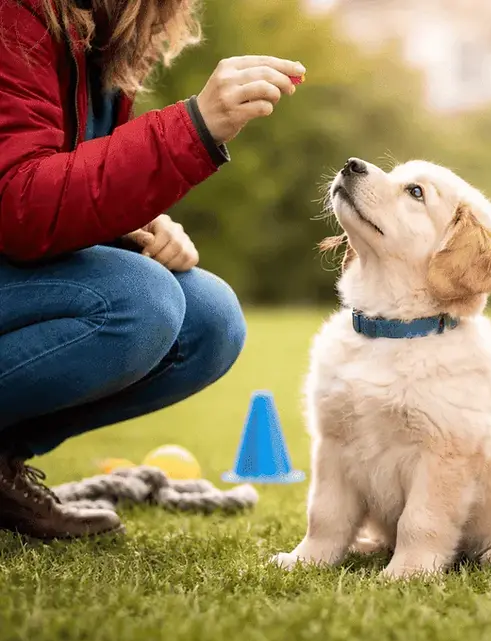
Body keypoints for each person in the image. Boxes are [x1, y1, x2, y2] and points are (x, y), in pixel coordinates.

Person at [0, 0, 305, 540]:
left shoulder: (99, 34)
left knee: (210, 319)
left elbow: (54, 178)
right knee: (138, 301)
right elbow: (16, 204)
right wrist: (194, 128)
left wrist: (131, 227)